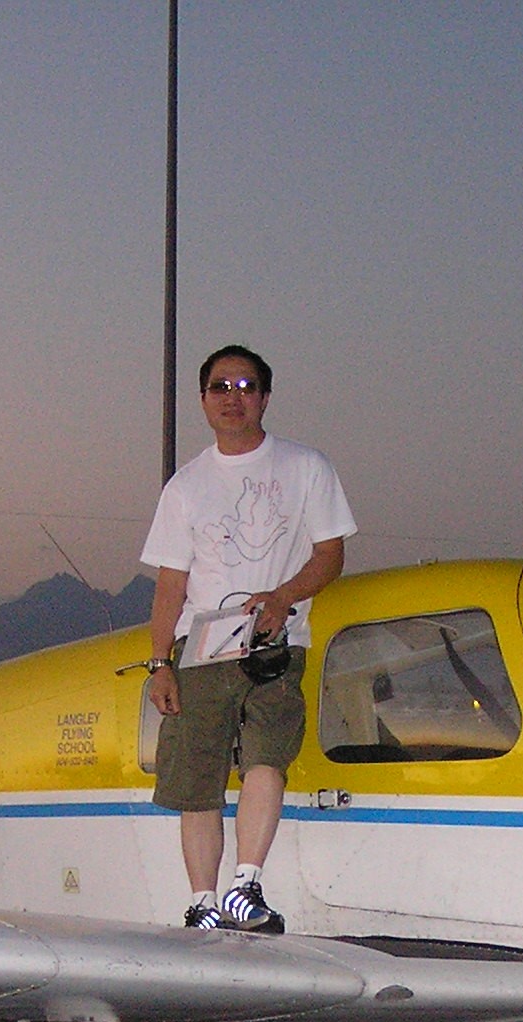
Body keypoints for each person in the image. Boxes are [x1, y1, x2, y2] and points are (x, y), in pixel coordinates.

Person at [141, 345, 356, 932]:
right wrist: (159, 663)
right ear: (203, 400)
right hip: (203, 645)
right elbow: (170, 585)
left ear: (264, 396)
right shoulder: (185, 486)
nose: (232, 397)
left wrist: (284, 596)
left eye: (245, 385)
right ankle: (203, 903)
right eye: (219, 387)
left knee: (268, 757)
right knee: (197, 777)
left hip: (274, 642)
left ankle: (245, 885)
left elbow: (331, 552)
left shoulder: (306, 466)